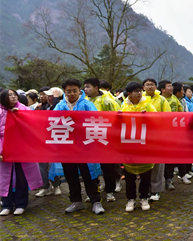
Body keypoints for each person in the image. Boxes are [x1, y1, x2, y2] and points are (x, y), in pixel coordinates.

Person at [54, 79, 105, 215]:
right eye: (68, 91)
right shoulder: (59, 106)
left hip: (85, 147)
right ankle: (76, 201)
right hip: (67, 148)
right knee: (70, 176)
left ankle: (95, 201)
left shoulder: (87, 105)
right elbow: (52, 122)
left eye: (74, 91)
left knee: (90, 175)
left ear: (80, 91)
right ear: (64, 91)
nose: (71, 94)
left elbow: (96, 123)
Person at [0, 89, 43, 215]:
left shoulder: (24, 109)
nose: (13, 97)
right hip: (4, 149)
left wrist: (19, 116)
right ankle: (7, 205)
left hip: (21, 148)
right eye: (10, 95)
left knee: (21, 176)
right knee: (4, 178)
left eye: (14, 94)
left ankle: (21, 204)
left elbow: (33, 126)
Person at [84, 77, 122, 203]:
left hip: (105, 138)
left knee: (108, 167)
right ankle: (93, 191)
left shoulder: (107, 100)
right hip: (89, 138)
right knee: (91, 167)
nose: (86, 89)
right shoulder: (84, 100)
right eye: (84, 87)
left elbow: (117, 117)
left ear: (96, 88)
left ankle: (110, 191)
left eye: (88, 87)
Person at [120, 82, 157, 211]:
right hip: (129, 145)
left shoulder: (147, 105)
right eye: (135, 91)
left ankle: (144, 197)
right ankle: (130, 199)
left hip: (145, 145)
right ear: (129, 94)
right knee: (129, 175)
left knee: (146, 173)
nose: (139, 93)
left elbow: (157, 120)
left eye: (139, 91)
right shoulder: (123, 105)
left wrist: (148, 116)